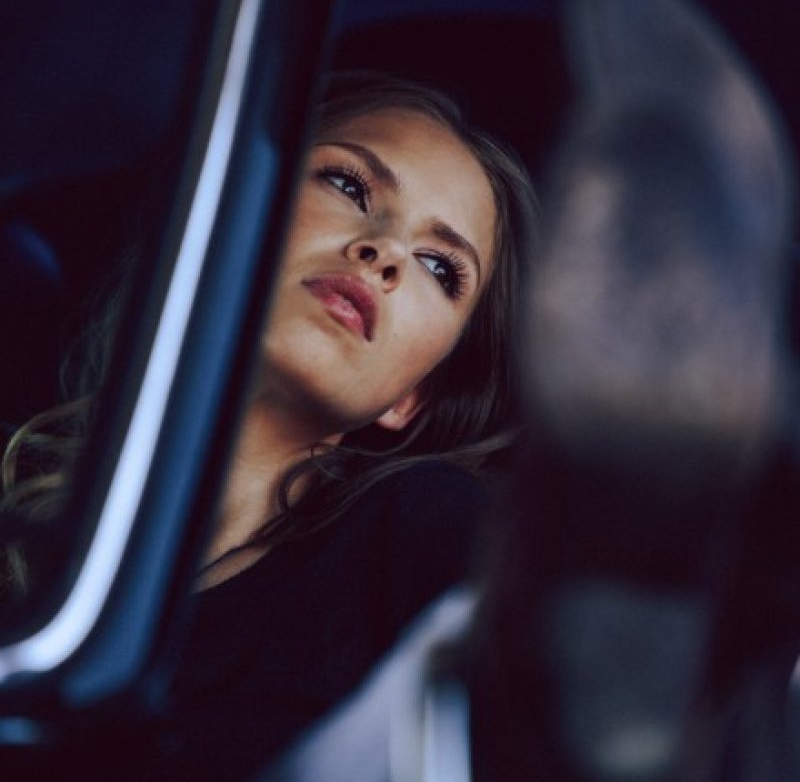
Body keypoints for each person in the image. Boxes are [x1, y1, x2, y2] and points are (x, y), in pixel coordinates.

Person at [0, 72, 538, 776]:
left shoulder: (428, 536)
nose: (384, 252)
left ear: (409, 398)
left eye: (440, 266)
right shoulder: (21, 510)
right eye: (348, 186)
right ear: (231, 201)